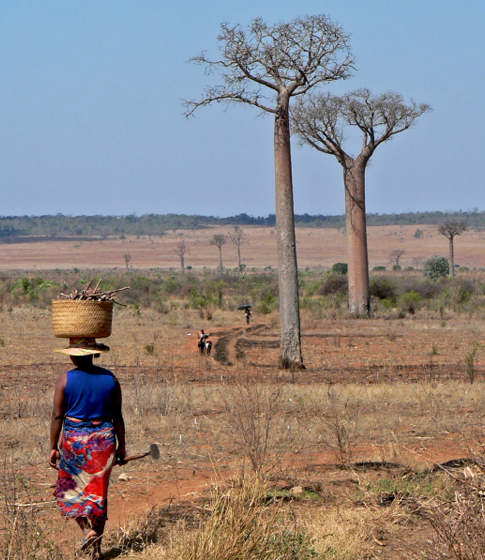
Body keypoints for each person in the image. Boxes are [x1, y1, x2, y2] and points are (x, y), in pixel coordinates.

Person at [50, 337, 127, 560]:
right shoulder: (110, 379)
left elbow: (57, 416)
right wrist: (122, 446)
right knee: (98, 495)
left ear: (74, 356)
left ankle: (86, 529)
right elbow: (118, 417)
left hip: (75, 444)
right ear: (93, 353)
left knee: (69, 490)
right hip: (104, 442)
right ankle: (97, 550)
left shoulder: (66, 379)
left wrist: (53, 446)